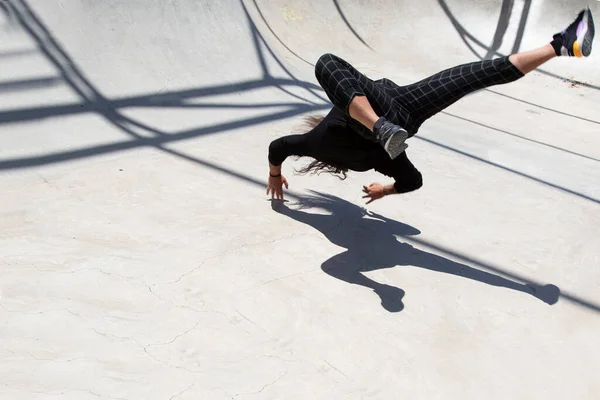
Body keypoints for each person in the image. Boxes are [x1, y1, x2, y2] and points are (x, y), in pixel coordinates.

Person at [266, 7, 595, 204]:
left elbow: (413, 181)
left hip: (402, 122)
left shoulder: (353, 158)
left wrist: (385, 191)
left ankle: (563, 44)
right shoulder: (315, 140)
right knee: (326, 63)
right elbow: (278, 147)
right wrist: (274, 174)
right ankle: (559, 46)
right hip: (396, 107)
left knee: (470, 79)